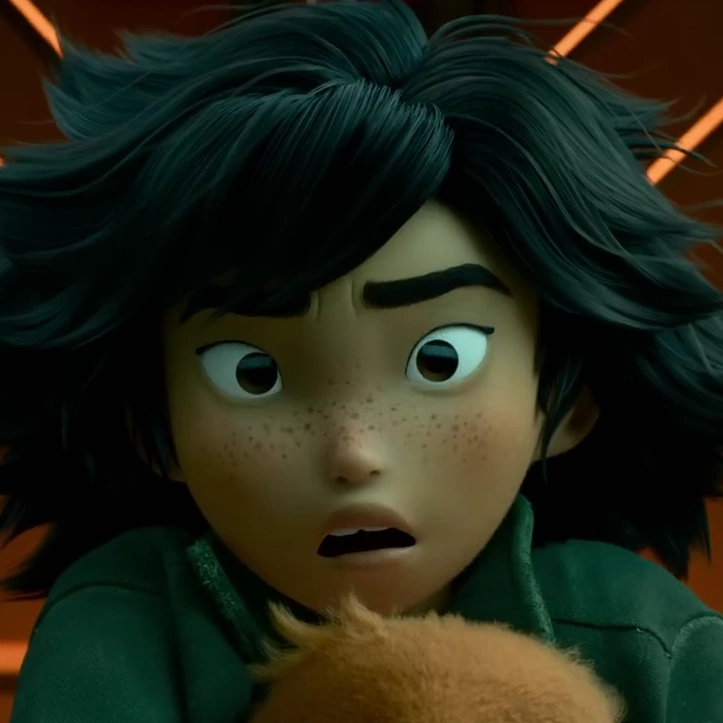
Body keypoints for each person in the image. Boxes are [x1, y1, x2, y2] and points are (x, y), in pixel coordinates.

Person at [1, 1, 721, 721]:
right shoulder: (124, 630)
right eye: (253, 374)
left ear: (567, 401)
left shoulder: (646, 635)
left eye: (441, 361)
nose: (354, 452)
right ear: (155, 422)